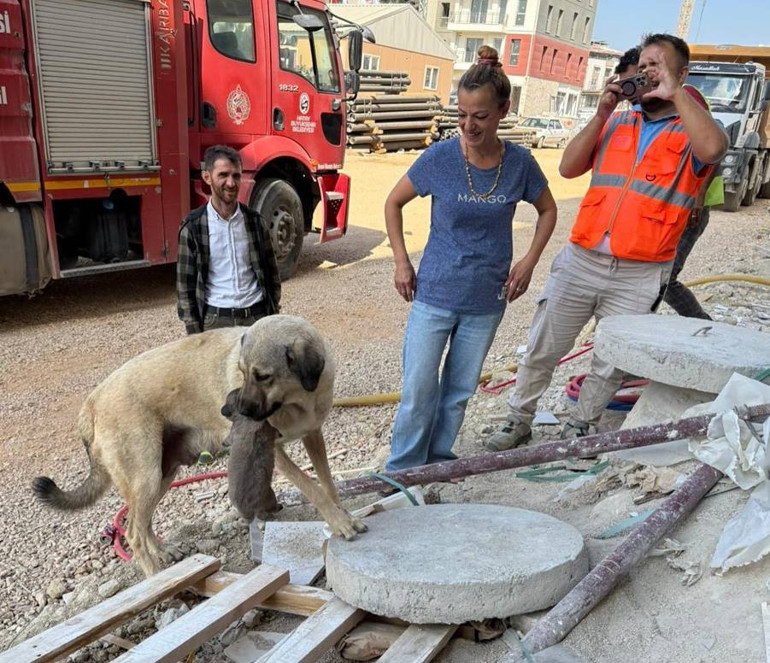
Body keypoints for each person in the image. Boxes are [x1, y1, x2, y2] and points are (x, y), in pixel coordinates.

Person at [486, 33, 728, 451]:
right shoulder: (618, 121)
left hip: (641, 270)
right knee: (544, 345)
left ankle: (581, 425)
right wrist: (600, 113)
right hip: (583, 258)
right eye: (644, 65)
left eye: (659, 66)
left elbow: (713, 148)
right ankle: (518, 418)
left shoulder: (692, 128)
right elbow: (568, 167)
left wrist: (678, 93)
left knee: (610, 359)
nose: (648, 73)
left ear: (681, 74)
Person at [383, 45, 558, 472]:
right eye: (461, 114)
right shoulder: (441, 157)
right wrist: (401, 262)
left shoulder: (520, 164)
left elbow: (548, 210)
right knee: (419, 389)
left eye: (479, 116)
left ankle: (439, 462)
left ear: (503, 110)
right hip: (435, 294)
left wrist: (529, 261)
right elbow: (393, 203)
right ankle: (403, 469)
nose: (467, 125)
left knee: (459, 390)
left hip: (486, 298)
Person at [618, 46, 722, 319]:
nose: (635, 89)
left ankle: (704, 327)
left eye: (638, 79)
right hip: (664, 205)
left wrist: (698, 197)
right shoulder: (644, 110)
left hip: (687, 205)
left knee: (666, 278)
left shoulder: (686, 98)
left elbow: (713, 150)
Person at [177, 145, 280, 334]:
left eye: (236, 176)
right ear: (207, 177)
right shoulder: (193, 226)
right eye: (223, 175)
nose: (231, 183)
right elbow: (185, 286)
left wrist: (271, 312)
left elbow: (271, 273)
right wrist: (193, 332)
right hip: (216, 321)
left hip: (256, 318)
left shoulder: (255, 222)